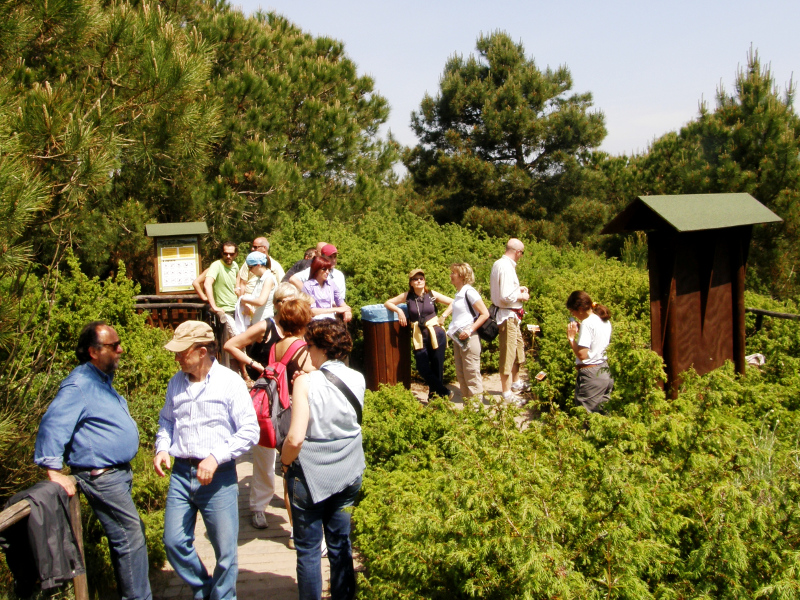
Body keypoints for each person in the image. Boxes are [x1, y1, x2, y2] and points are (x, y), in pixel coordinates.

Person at [34, 321, 151, 600]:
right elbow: (53, 424)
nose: (121, 350)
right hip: (101, 476)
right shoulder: (80, 384)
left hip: (116, 474)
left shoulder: (99, 381)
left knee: (127, 538)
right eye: (114, 346)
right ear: (93, 351)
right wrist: (53, 470)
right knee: (130, 535)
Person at [154, 321, 259, 600]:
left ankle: (223, 597)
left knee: (225, 551)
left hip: (219, 476)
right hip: (180, 473)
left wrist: (215, 457)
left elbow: (250, 430)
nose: (176, 357)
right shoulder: (175, 382)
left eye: (181, 351)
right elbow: (166, 421)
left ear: (201, 352)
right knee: (174, 542)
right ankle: (204, 590)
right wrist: (162, 447)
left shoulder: (230, 382)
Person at [281, 318, 365, 600]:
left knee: (308, 550)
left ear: (318, 347)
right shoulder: (358, 377)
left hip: (310, 473)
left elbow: (295, 438)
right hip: (349, 469)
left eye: (308, 345)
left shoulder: (305, 382)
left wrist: (284, 464)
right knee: (341, 543)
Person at [223, 283, 312, 529]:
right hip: (269, 396)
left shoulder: (298, 331)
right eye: (288, 302)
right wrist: (254, 365)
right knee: (264, 454)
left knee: (289, 457)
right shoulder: (267, 326)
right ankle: (259, 507)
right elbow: (230, 345)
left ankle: (289, 500)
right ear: (278, 304)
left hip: (292, 398)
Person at [385, 268, 453, 400]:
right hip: (419, 335)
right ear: (411, 282)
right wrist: (399, 311)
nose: (419, 281)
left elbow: (453, 302)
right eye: (415, 279)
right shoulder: (407, 297)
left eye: (421, 278)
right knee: (421, 367)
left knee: (437, 366)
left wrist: (444, 316)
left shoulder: (432, 294)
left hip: (436, 333)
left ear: (424, 280)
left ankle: (435, 399)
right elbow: (388, 303)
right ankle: (444, 391)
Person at [490, 238, 530, 404]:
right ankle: (506, 392)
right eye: (522, 253)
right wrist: (522, 296)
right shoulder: (505, 267)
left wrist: (517, 289)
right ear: (517, 252)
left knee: (517, 349)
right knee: (508, 353)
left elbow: (504, 290)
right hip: (507, 316)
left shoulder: (501, 264)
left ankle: (515, 382)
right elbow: (505, 296)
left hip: (512, 316)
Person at [446, 263, 490, 399]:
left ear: (462, 276)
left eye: (454, 273)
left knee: (471, 374)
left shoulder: (469, 292)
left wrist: (470, 330)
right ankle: (468, 410)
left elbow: (484, 313)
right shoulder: (459, 293)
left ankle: (476, 412)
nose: (451, 275)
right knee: (461, 375)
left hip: (469, 337)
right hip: (458, 337)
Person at [566, 291, 614, 413]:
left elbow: (583, 354)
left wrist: (571, 338)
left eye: (573, 312)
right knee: (603, 414)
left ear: (580, 309)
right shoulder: (603, 319)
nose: (574, 315)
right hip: (605, 371)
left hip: (591, 375)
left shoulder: (587, 323)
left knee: (587, 416)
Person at [204, 241, 240, 368]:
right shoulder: (216, 265)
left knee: (235, 342)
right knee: (238, 340)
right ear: (222, 253)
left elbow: (237, 285)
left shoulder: (235, 266)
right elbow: (207, 284)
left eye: (231, 254)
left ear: (236, 254)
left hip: (236, 309)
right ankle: (245, 374)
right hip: (224, 311)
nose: (228, 256)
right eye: (226, 254)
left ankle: (237, 371)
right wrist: (213, 305)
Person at [232, 251, 277, 334]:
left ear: (258, 265)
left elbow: (261, 301)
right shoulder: (260, 279)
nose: (249, 270)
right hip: (257, 321)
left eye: (250, 267)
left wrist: (244, 300)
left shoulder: (268, 279)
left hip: (265, 321)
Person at [303, 255, 352, 322]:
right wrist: (336, 309)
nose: (327, 272)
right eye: (324, 269)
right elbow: (312, 311)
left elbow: (341, 302)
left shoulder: (331, 284)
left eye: (329, 269)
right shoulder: (308, 286)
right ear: (316, 269)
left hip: (330, 321)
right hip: (315, 322)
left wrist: (347, 312)